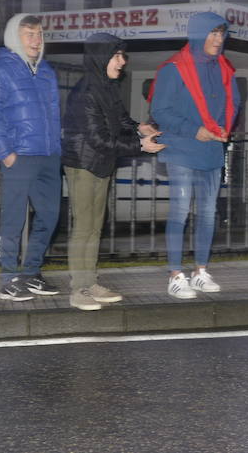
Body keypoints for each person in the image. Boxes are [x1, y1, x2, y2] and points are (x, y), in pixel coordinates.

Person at [62, 33, 165, 311]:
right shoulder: (86, 92)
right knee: (84, 227)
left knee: (95, 227)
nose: (122, 62)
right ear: (101, 57)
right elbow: (98, 139)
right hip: (84, 164)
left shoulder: (105, 87)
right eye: (117, 55)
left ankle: (91, 281)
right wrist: (139, 146)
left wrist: (138, 127)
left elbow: (119, 119)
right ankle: (78, 289)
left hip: (102, 162)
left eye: (122, 55)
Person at [149, 12, 241, 298]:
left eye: (221, 33)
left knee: (208, 214)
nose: (218, 39)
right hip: (182, 149)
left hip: (212, 149)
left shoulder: (224, 67)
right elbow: (159, 111)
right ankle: (176, 275)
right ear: (199, 34)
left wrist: (224, 127)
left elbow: (234, 102)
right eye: (212, 33)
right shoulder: (174, 68)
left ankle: (200, 271)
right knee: (179, 211)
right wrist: (193, 129)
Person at [0, 14, 62, 301]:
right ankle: (9, 278)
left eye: (39, 34)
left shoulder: (46, 71)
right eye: (29, 33)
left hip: (49, 154)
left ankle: (31, 273)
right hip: (19, 156)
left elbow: (53, 114)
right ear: (14, 36)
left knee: (51, 215)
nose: (36, 39)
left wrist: (57, 148)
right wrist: (5, 153)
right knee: (13, 218)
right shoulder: (0, 70)